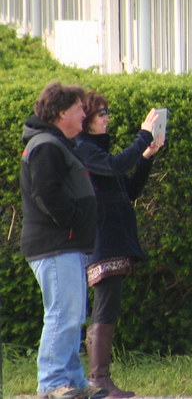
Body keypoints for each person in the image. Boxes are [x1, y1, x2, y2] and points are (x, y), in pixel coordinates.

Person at [20, 82, 109, 399]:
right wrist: (72, 223)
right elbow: (47, 194)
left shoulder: (56, 143)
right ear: (61, 112)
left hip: (66, 245)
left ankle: (71, 379)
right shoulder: (46, 145)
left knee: (72, 315)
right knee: (62, 314)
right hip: (56, 244)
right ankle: (53, 382)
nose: (85, 114)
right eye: (79, 109)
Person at [75, 94, 164, 399]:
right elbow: (114, 167)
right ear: (86, 120)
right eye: (102, 113)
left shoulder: (97, 150)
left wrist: (147, 155)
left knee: (109, 304)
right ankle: (98, 379)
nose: (107, 117)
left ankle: (100, 379)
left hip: (114, 238)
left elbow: (129, 190)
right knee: (104, 305)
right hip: (103, 239)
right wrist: (143, 136)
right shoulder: (84, 149)